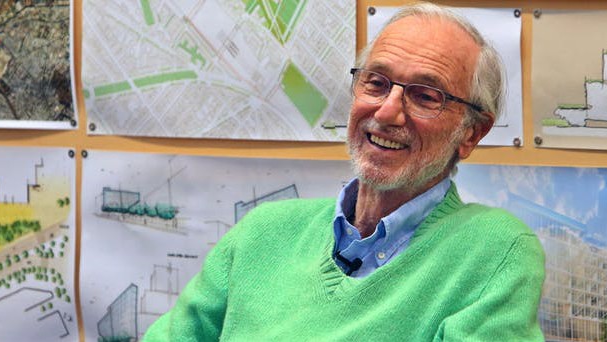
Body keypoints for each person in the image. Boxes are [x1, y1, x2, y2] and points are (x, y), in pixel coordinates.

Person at [144, 2, 545, 341]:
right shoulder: (261, 232)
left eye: (425, 95)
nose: (387, 111)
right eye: (376, 82)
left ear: (471, 133)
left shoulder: (496, 252)